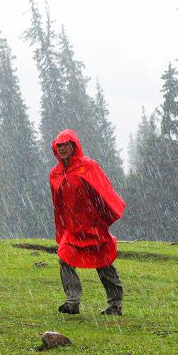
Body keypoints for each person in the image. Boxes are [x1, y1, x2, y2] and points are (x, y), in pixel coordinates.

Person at [49, 129, 126, 315]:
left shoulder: (88, 167)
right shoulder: (55, 174)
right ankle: (72, 301)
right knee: (64, 257)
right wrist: (62, 229)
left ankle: (115, 305)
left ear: (74, 145)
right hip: (73, 229)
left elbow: (104, 192)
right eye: (59, 146)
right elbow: (58, 205)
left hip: (93, 226)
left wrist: (104, 218)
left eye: (65, 145)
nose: (62, 149)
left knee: (104, 262)